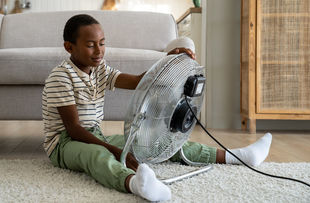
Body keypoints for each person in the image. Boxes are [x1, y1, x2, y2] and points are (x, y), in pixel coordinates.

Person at [42, 14, 272, 201]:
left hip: (94, 134)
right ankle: (134, 184)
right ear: (69, 47)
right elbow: (73, 130)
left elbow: (138, 82)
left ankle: (236, 156)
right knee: (98, 155)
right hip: (65, 143)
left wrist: (168, 58)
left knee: (153, 141)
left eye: (102, 43)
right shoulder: (61, 77)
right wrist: (115, 150)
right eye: (91, 45)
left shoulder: (100, 70)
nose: (99, 51)